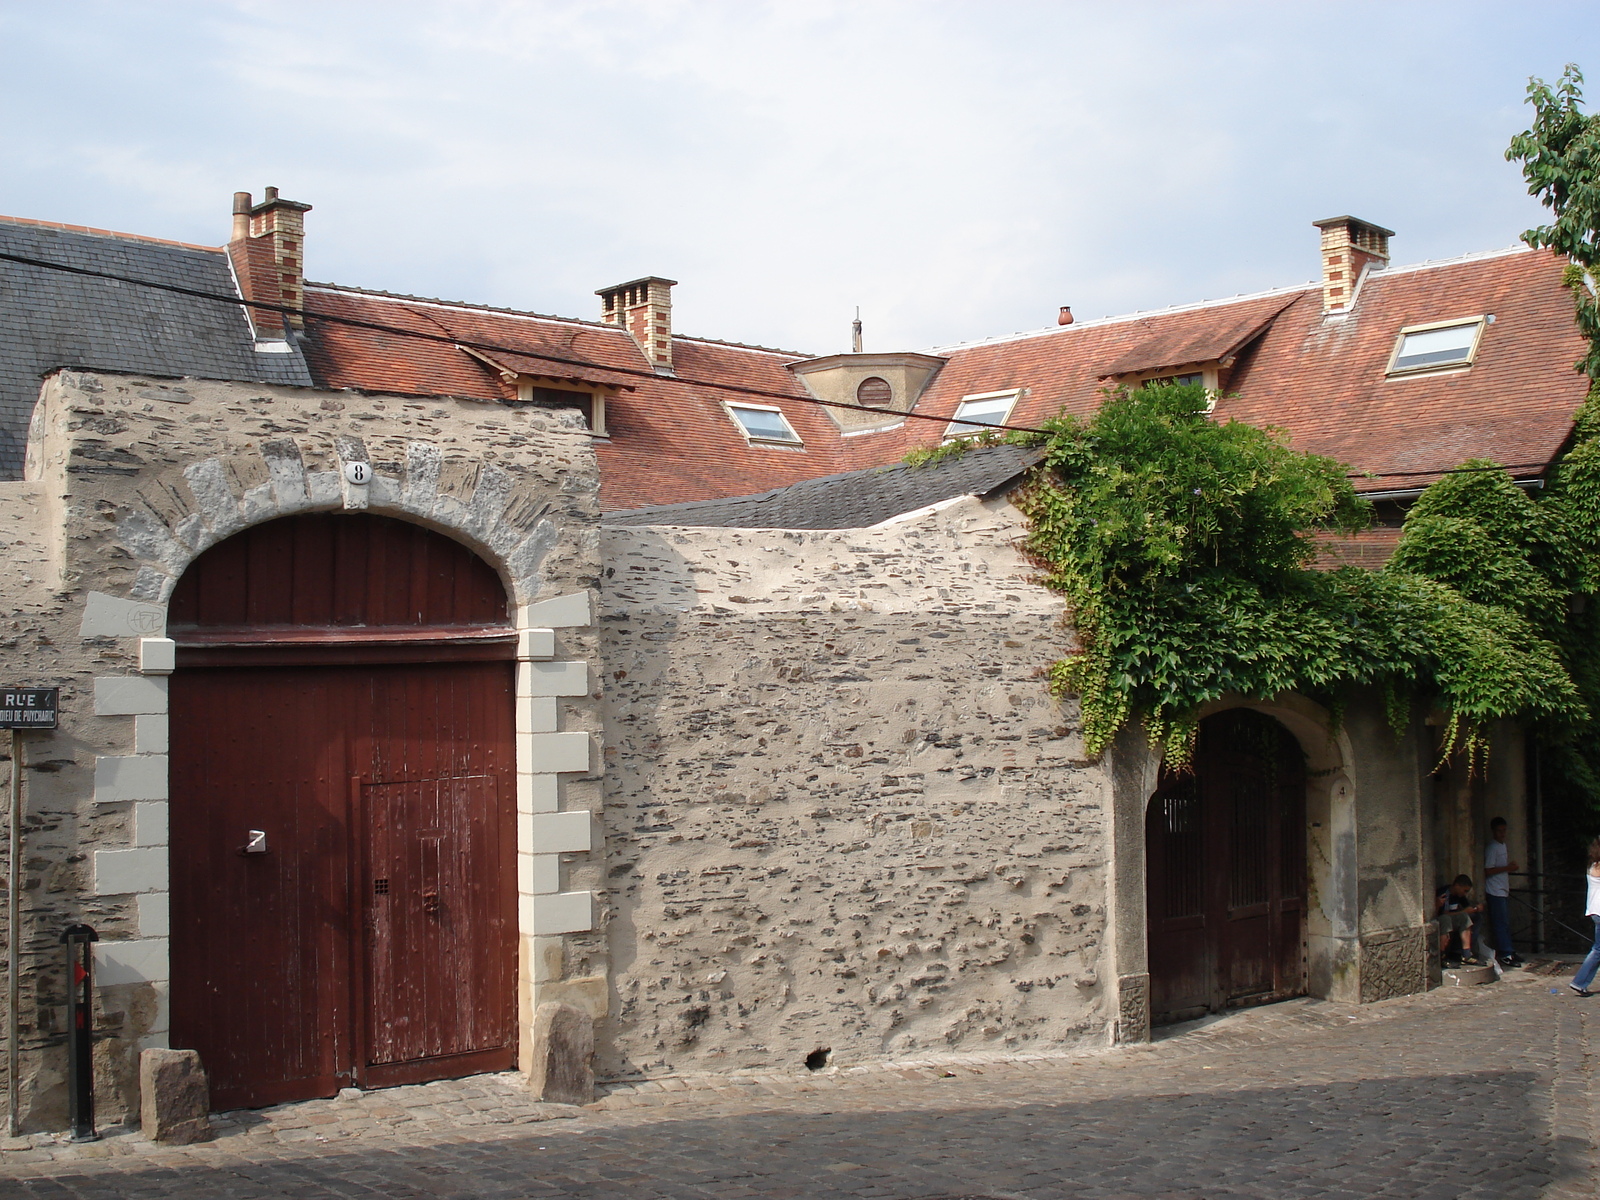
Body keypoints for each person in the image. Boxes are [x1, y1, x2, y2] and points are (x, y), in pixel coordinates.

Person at [1484, 817, 1523, 967]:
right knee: (1501, 923)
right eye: (1499, 831)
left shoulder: (1502, 845)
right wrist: (1508, 868)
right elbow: (1488, 869)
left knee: (1505, 923)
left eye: (1504, 830)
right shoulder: (1492, 847)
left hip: (1502, 889)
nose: (1502, 834)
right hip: (1495, 890)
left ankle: (1510, 950)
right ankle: (1505, 953)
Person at [1569, 838, 1600, 997]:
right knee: (1598, 950)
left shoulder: (1593, 866)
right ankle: (1579, 982)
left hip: (1595, 910)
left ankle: (1580, 982)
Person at [1436, 875, 1485, 967]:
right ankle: (1442, 956)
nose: (1465, 893)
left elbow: (1467, 906)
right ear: (1457, 886)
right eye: (1465, 890)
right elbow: (1443, 914)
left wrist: (1476, 908)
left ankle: (1466, 954)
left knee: (1467, 917)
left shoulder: (1459, 895)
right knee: (1447, 920)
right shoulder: (1445, 893)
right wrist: (1463, 911)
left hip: (1452, 919)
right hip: (1442, 920)